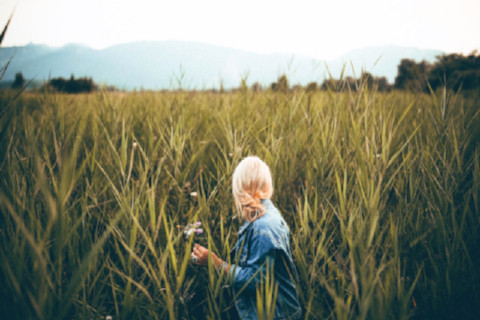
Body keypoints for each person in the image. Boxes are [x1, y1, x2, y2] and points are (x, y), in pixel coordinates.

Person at [192, 156, 302, 320]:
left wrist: (215, 262)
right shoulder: (268, 216)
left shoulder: (262, 228)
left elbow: (254, 281)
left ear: (240, 191)